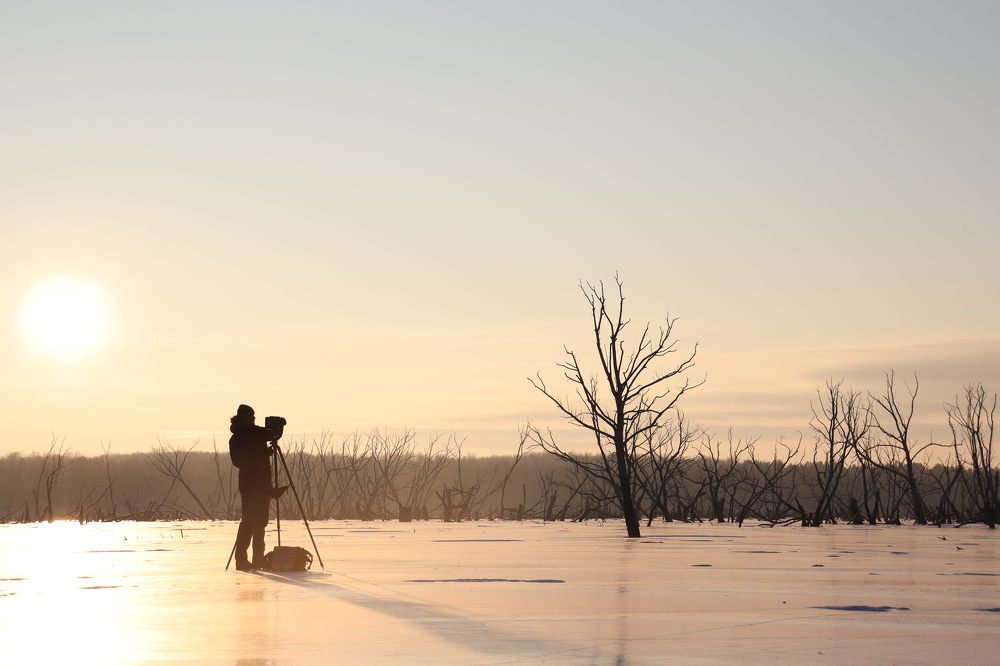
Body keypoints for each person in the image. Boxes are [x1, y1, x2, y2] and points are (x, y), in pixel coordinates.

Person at [229, 404, 286, 571]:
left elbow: (270, 434)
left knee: (259, 522)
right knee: (249, 522)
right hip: (250, 486)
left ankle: (257, 559)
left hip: (262, 485)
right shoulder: (239, 437)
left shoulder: (252, 434)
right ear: (244, 418)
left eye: (254, 416)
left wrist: (276, 430)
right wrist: (262, 454)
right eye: (251, 416)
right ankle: (242, 560)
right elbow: (239, 461)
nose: (253, 419)